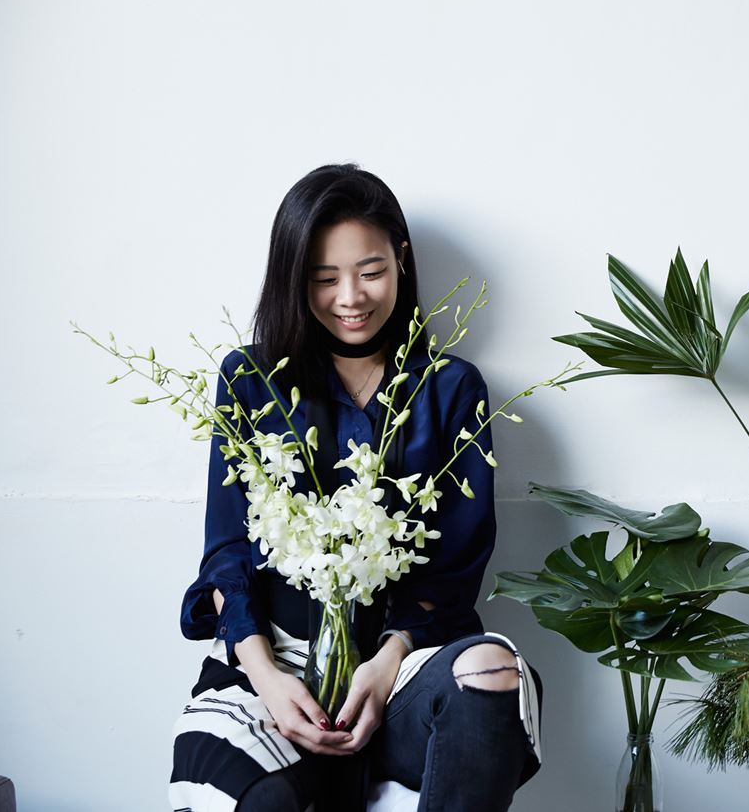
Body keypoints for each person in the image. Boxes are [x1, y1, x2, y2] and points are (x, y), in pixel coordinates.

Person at [169, 164, 543, 811]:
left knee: (490, 672)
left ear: (401, 259)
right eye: (324, 278)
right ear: (294, 278)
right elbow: (227, 554)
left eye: (371, 271)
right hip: (274, 663)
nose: (350, 297)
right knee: (255, 797)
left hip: (405, 667)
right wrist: (265, 675)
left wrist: (389, 658)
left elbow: (456, 566)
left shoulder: (450, 389)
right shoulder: (250, 381)